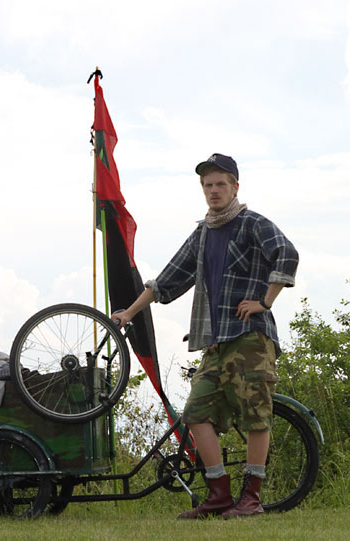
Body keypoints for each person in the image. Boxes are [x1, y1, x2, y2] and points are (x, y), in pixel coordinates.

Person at [111, 153, 298, 519]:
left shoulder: (252, 224)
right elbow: (167, 280)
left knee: (255, 416)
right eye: (208, 185)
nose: (214, 190)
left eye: (220, 184)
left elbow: (286, 254)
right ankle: (219, 494)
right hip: (215, 341)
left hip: (249, 337)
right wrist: (129, 313)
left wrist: (264, 300)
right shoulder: (204, 232)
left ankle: (252, 498)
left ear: (235, 187)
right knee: (196, 413)